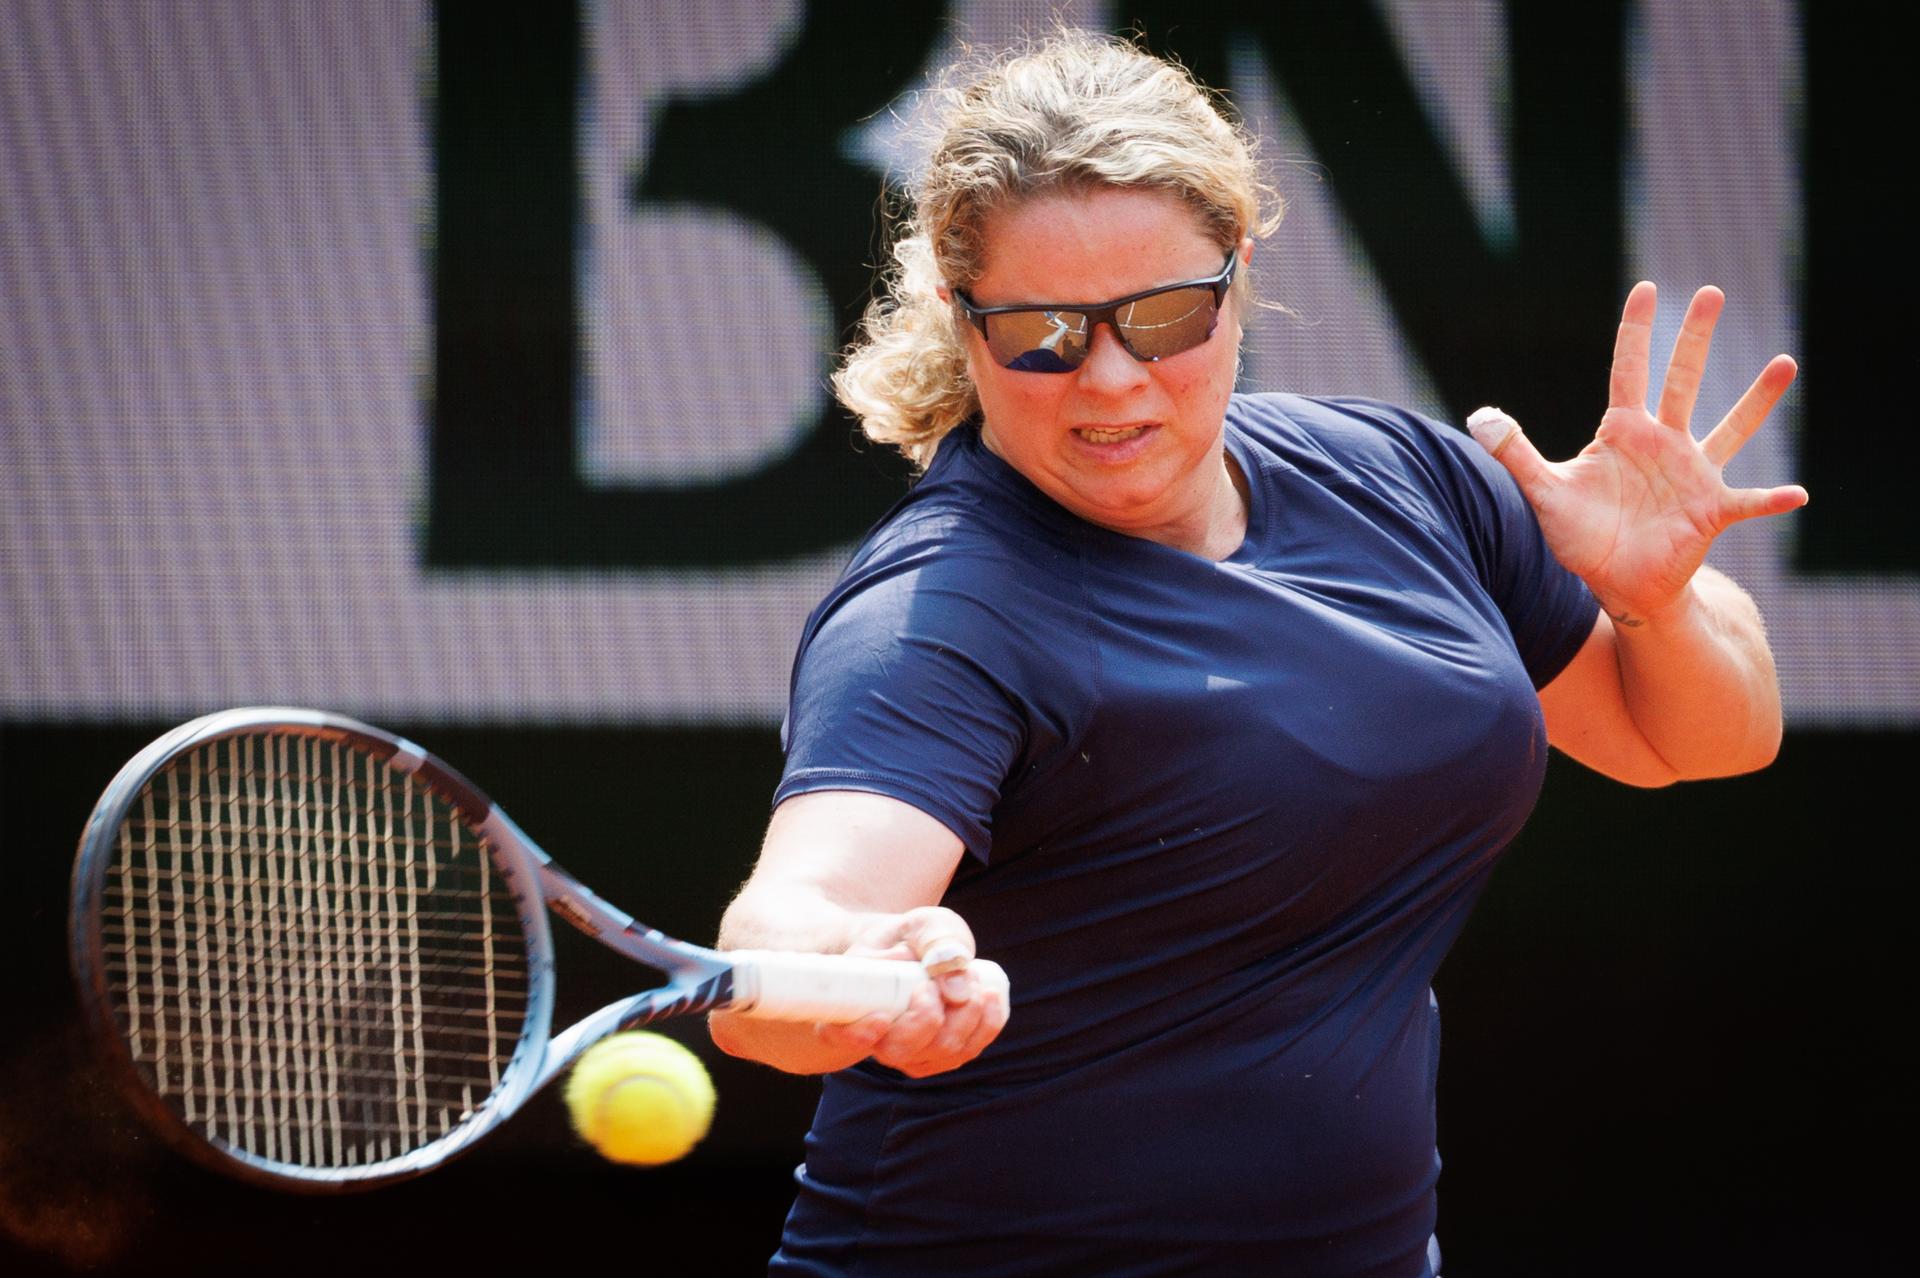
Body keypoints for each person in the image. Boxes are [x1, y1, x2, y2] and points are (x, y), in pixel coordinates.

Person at [709, 31, 1804, 1278]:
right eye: (1044, 335)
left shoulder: (1406, 479)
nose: (1111, 382)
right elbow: (797, 929)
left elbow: (1694, 743)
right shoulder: (941, 616)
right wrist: (861, 968)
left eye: (1165, 316)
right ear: (964, 326)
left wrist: (1658, 602)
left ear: (1238, 280)